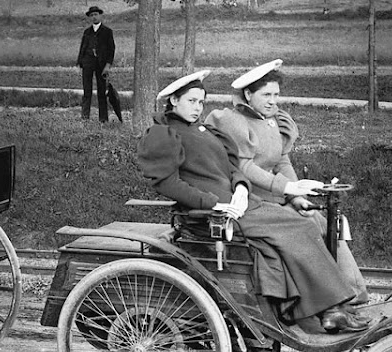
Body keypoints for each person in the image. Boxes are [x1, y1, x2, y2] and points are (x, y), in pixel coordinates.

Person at [136, 70, 369, 333]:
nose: (197, 107)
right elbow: (167, 183)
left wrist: (241, 188)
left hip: (240, 205)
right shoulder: (164, 133)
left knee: (302, 222)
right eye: (191, 101)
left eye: (201, 102)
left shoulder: (204, 130)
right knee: (300, 227)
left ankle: (326, 306)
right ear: (174, 101)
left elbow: (234, 168)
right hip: (214, 216)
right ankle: (331, 310)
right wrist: (212, 203)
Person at [205, 59, 368, 303]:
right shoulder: (233, 121)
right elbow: (244, 166)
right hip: (249, 199)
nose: (273, 100)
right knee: (306, 228)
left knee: (325, 222)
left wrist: (296, 197)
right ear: (247, 94)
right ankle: (323, 301)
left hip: (275, 197)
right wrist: (286, 188)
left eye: (276, 94)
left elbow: (283, 161)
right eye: (266, 94)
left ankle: (354, 293)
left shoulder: (274, 120)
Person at [76, 5, 114, 122]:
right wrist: (79, 62)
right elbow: (83, 47)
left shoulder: (107, 32)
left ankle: (103, 119)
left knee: (101, 92)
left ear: (100, 16)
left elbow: (111, 49)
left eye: (96, 14)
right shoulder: (87, 32)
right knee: (87, 91)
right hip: (87, 63)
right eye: (91, 15)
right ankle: (85, 117)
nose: (94, 17)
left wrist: (108, 65)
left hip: (101, 65)